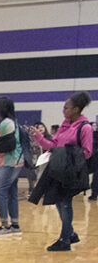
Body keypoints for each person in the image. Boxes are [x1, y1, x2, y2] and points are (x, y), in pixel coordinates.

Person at [30, 91, 93, 251]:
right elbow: (53, 146)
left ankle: (65, 240)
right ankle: (70, 234)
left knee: (64, 204)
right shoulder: (64, 126)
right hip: (58, 170)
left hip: (71, 172)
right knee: (59, 202)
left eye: (67, 108)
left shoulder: (84, 127)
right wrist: (39, 138)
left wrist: (68, 156)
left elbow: (87, 152)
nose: (63, 111)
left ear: (76, 109)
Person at [0, 97, 24, 239]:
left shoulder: (5, 123)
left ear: (1, 109)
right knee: (11, 192)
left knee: (1, 192)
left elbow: (6, 144)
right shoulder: (12, 122)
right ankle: (15, 225)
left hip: (9, 162)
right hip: (16, 161)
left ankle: (5, 226)